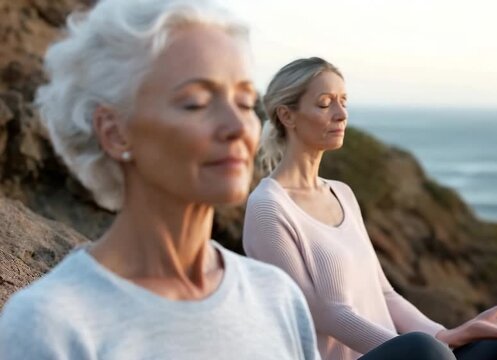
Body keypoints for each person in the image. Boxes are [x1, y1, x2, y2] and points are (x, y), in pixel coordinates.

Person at [0, 1, 319, 358]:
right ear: (114, 130)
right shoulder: (50, 325)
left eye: (245, 102)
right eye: (196, 102)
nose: (237, 127)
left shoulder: (277, 298)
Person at [242, 57, 497, 360]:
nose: (341, 114)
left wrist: (444, 337)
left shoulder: (341, 193)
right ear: (287, 115)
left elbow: (386, 295)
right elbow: (323, 314)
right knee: (423, 349)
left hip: (412, 354)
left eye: (344, 101)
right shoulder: (269, 208)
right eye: (325, 103)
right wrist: (426, 350)